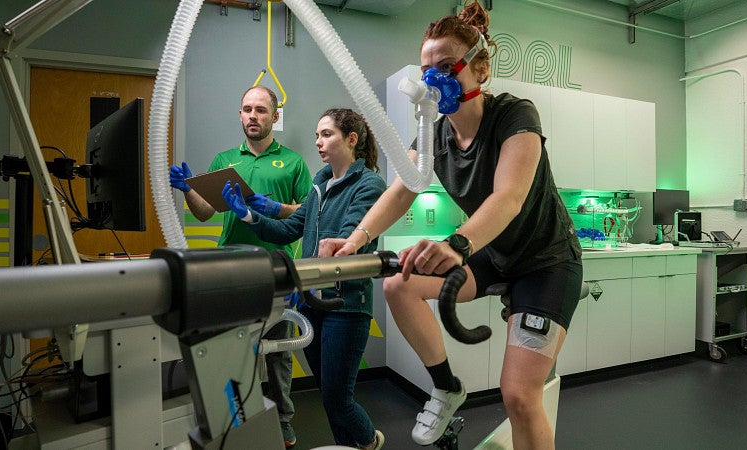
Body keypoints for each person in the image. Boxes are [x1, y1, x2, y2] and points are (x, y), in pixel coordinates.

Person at [317, 2, 583, 449]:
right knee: (398, 284)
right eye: (427, 70)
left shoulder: (515, 115)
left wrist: (459, 243)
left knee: (519, 396)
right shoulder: (435, 135)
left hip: (546, 263)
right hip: (494, 256)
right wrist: (358, 238)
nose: (433, 79)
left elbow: (509, 197)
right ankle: (446, 385)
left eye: (445, 66)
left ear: (478, 68)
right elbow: (402, 189)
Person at [222, 108, 387, 450]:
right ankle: (348, 446)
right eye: (316, 135)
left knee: (339, 399)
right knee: (329, 395)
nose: (318, 142)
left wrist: (314, 271)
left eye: (326, 134)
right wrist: (248, 214)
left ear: (351, 139)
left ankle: (369, 441)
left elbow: (347, 239)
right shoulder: (319, 183)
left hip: (346, 304)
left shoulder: (369, 185)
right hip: (313, 303)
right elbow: (287, 231)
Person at [169, 85, 313, 448]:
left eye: (261, 110)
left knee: (278, 352)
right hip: (229, 269)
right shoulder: (223, 160)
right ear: (240, 115)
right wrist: (187, 189)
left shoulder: (293, 162)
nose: (253, 116)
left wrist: (273, 208)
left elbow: (308, 213)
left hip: (276, 269)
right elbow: (205, 213)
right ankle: (233, 416)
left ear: (274, 117)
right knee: (229, 347)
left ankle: (282, 419)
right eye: (247, 109)